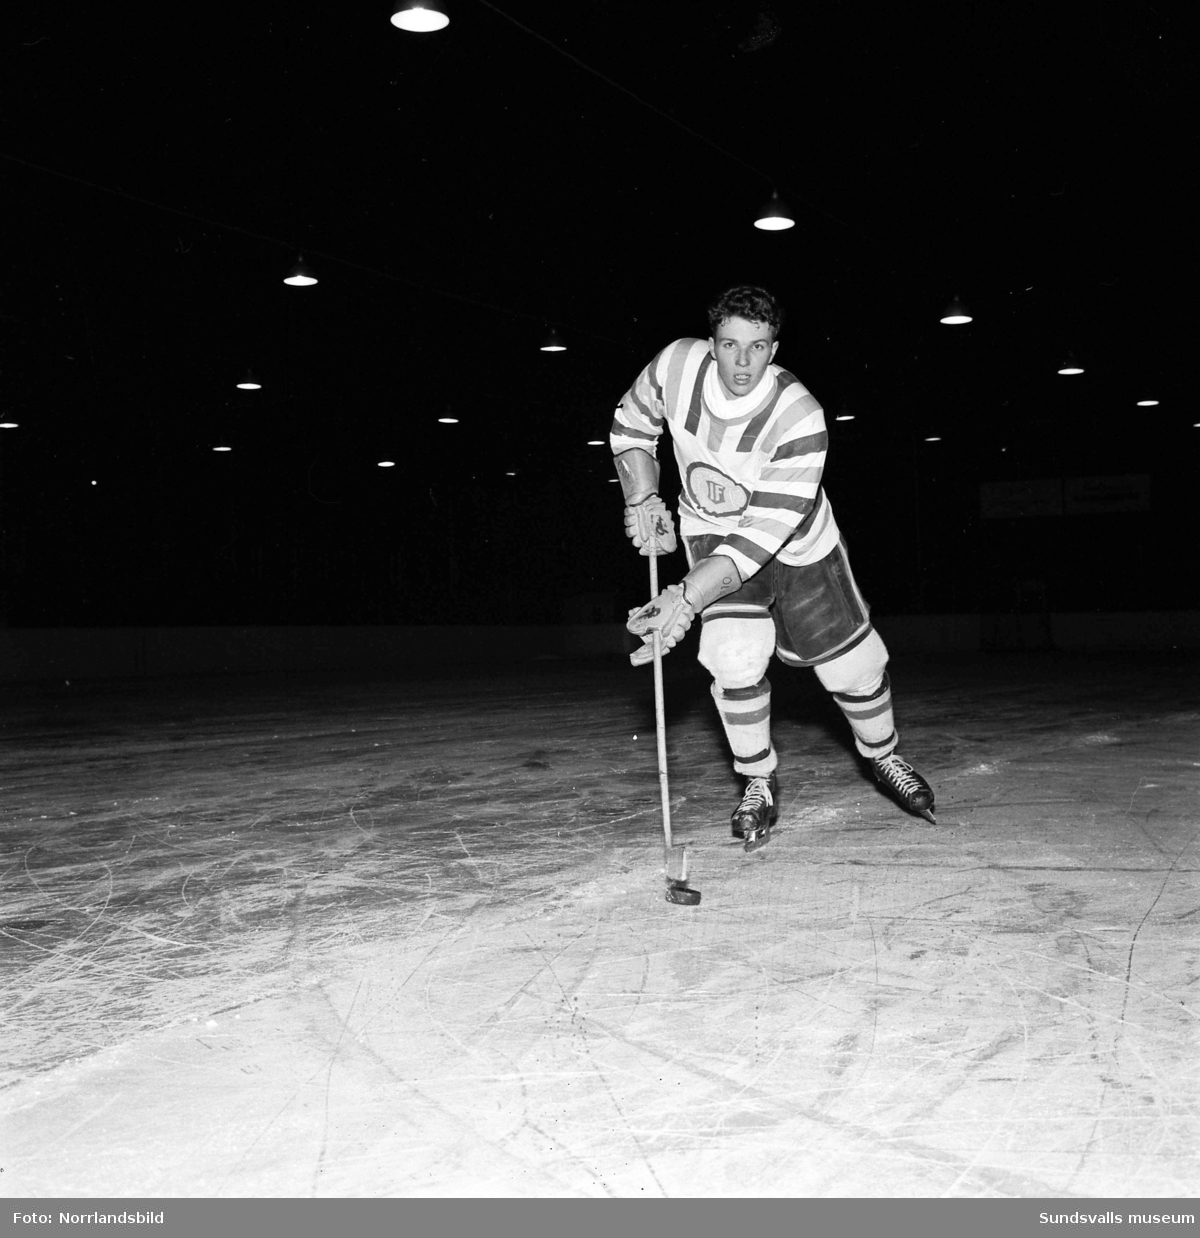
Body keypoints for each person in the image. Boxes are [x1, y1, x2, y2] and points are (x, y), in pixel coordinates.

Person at [612, 285, 935, 843]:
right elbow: (632, 426)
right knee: (732, 657)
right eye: (730, 344)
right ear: (710, 343)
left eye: (757, 347)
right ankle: (757, 781)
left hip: (799, 544)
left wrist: (686, 597)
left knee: (854, 670)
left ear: (774, 347)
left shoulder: (800, 418)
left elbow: (760, 536)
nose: (742, 362)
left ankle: (883, 755)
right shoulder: (674, 366)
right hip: (713, 530)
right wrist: (642, 499)